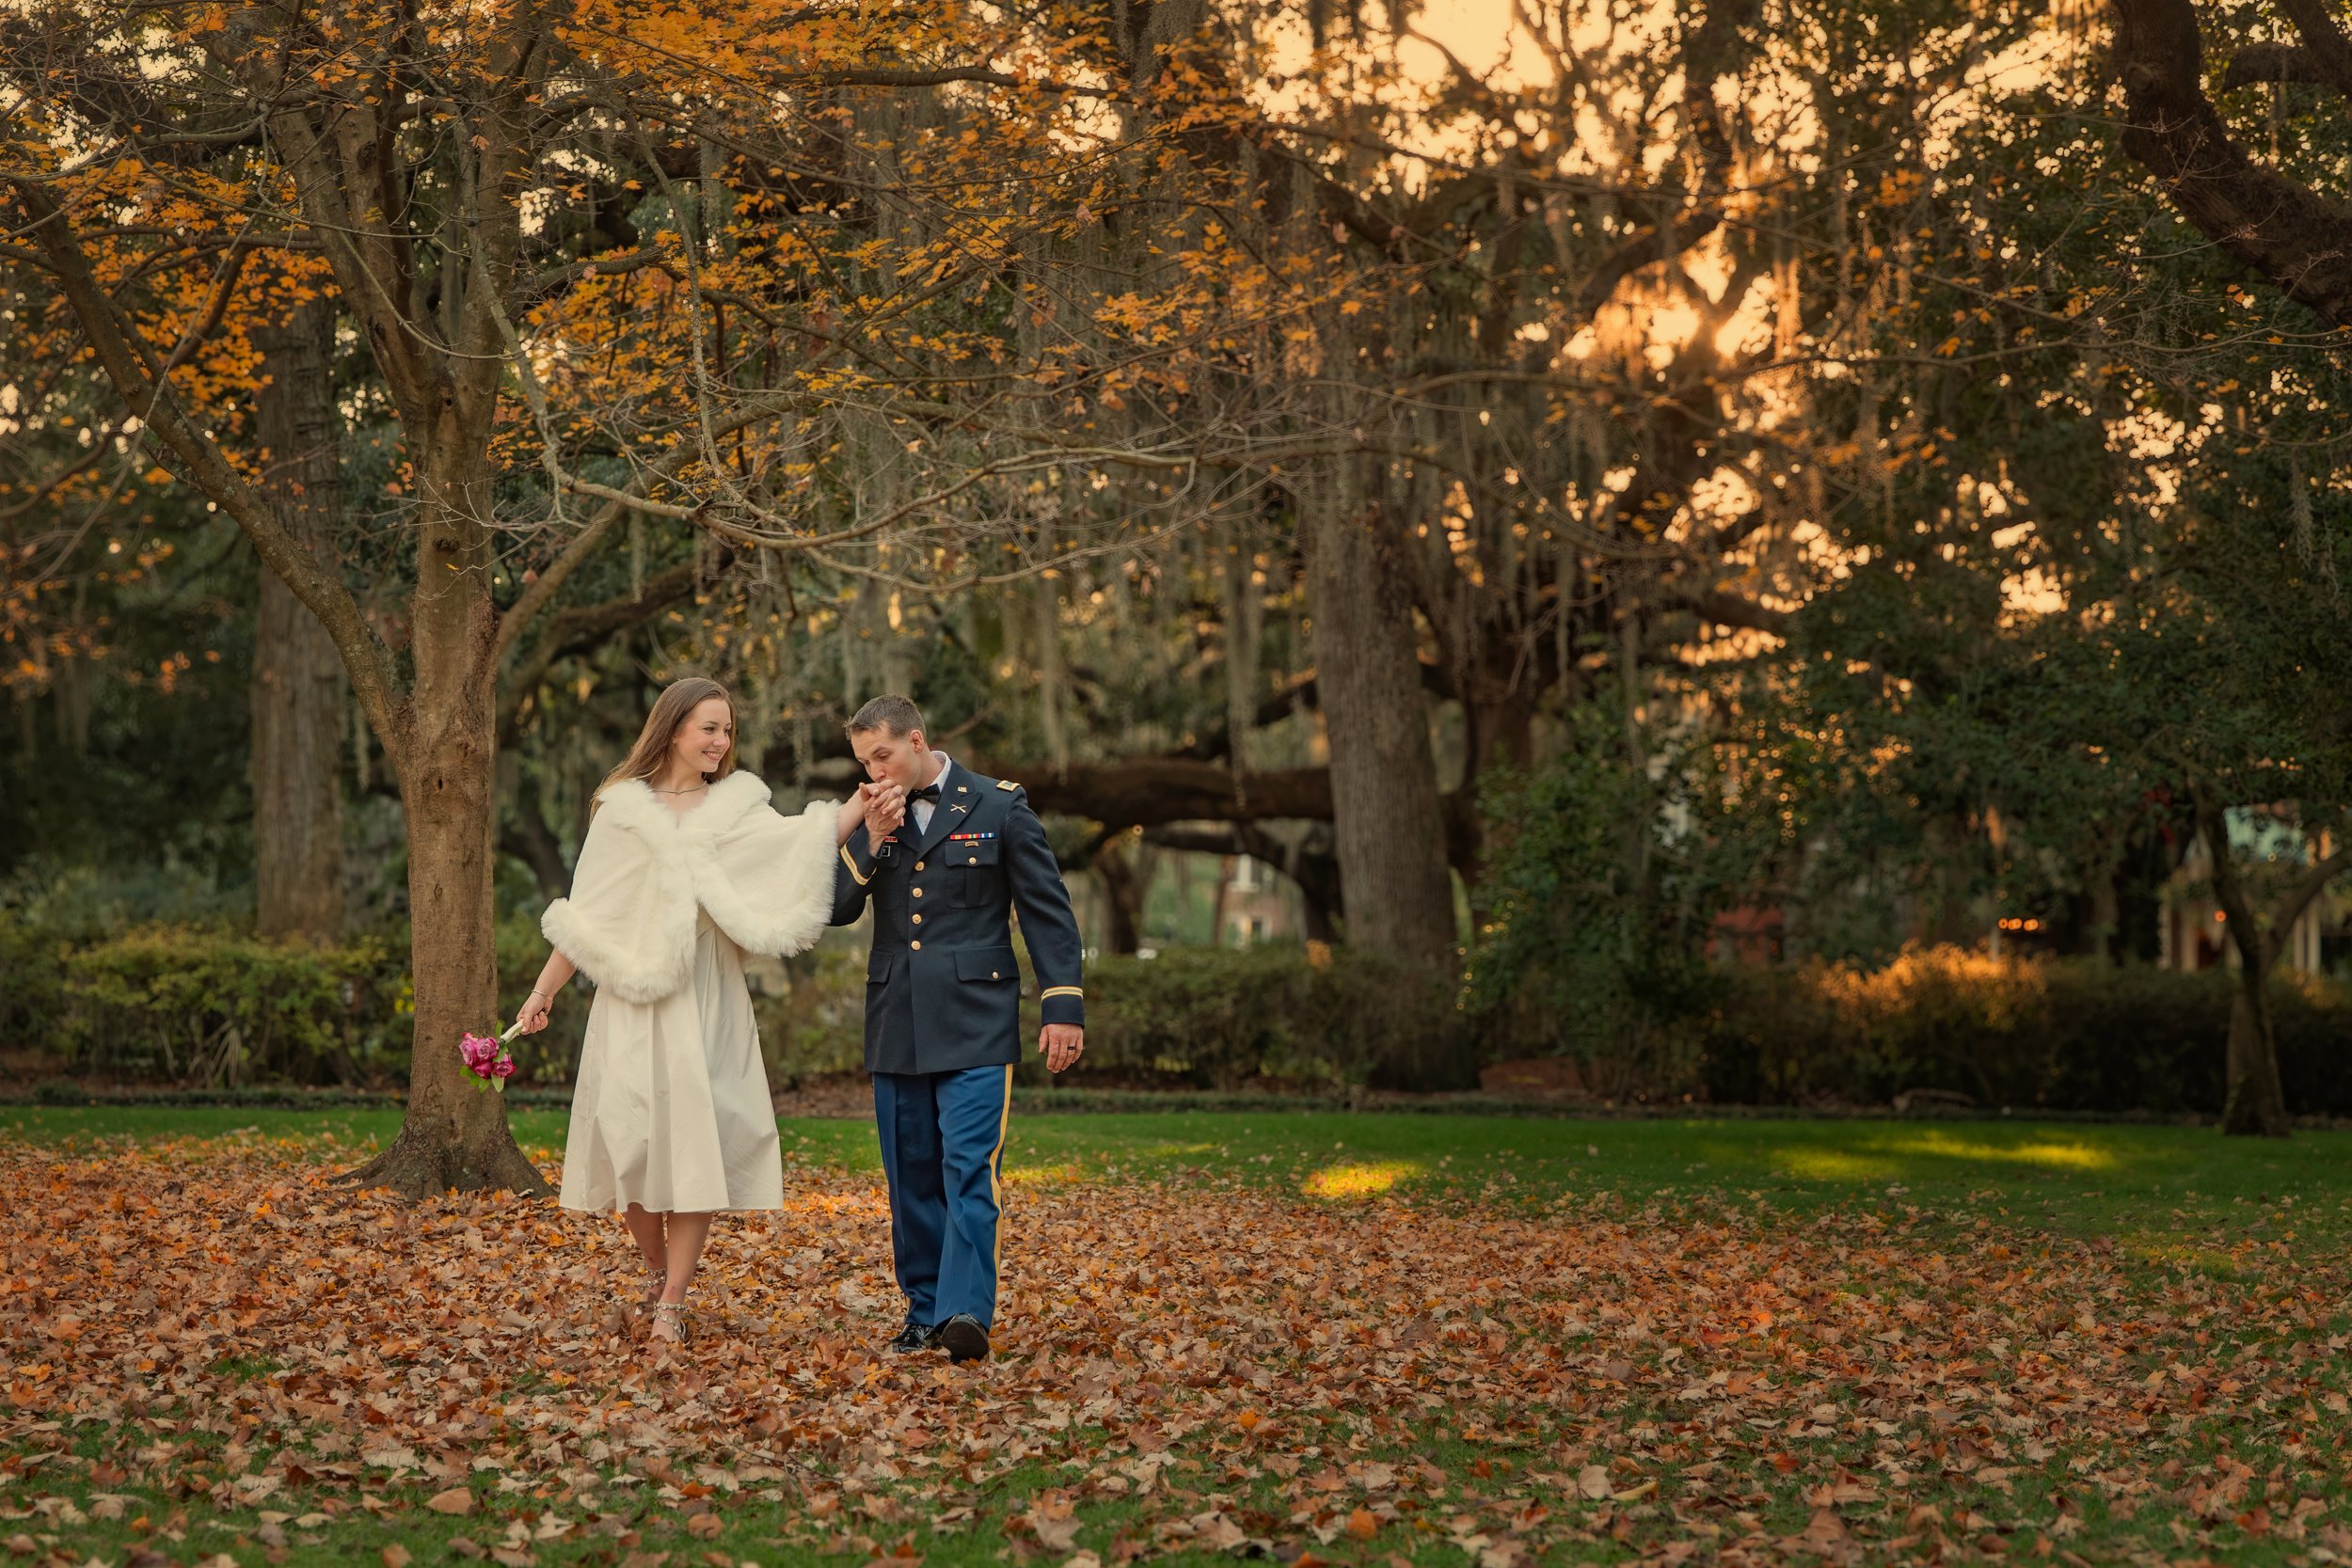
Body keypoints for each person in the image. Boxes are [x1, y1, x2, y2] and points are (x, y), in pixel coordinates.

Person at [511, 676, 873, 1353]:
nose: (720, 741)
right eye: (710, 727)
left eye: (728, 730)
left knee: (697, 1143)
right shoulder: (620, 811)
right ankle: (656, 1266)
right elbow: (588, 912)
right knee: (630, 1146)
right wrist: (542, 992)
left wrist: (856, 804)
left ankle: (672, 1300)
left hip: (707, 992)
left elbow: (796, 847)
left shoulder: (737, 807)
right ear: (673, 727)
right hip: (634, 995)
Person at [831, 695, 1087, 1364]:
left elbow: (1046, 911)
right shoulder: (871, 817)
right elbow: (830, 905)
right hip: (897, 1023)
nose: (874, 771)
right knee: (910, 1174)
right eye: (863, 761)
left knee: (968, 1166)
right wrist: (874, 837)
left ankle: (966, 1311)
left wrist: (1062, 1006)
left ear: (916, 739)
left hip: (977, 1022)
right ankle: (922, 1312)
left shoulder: (999, 806)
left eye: (882, 755)